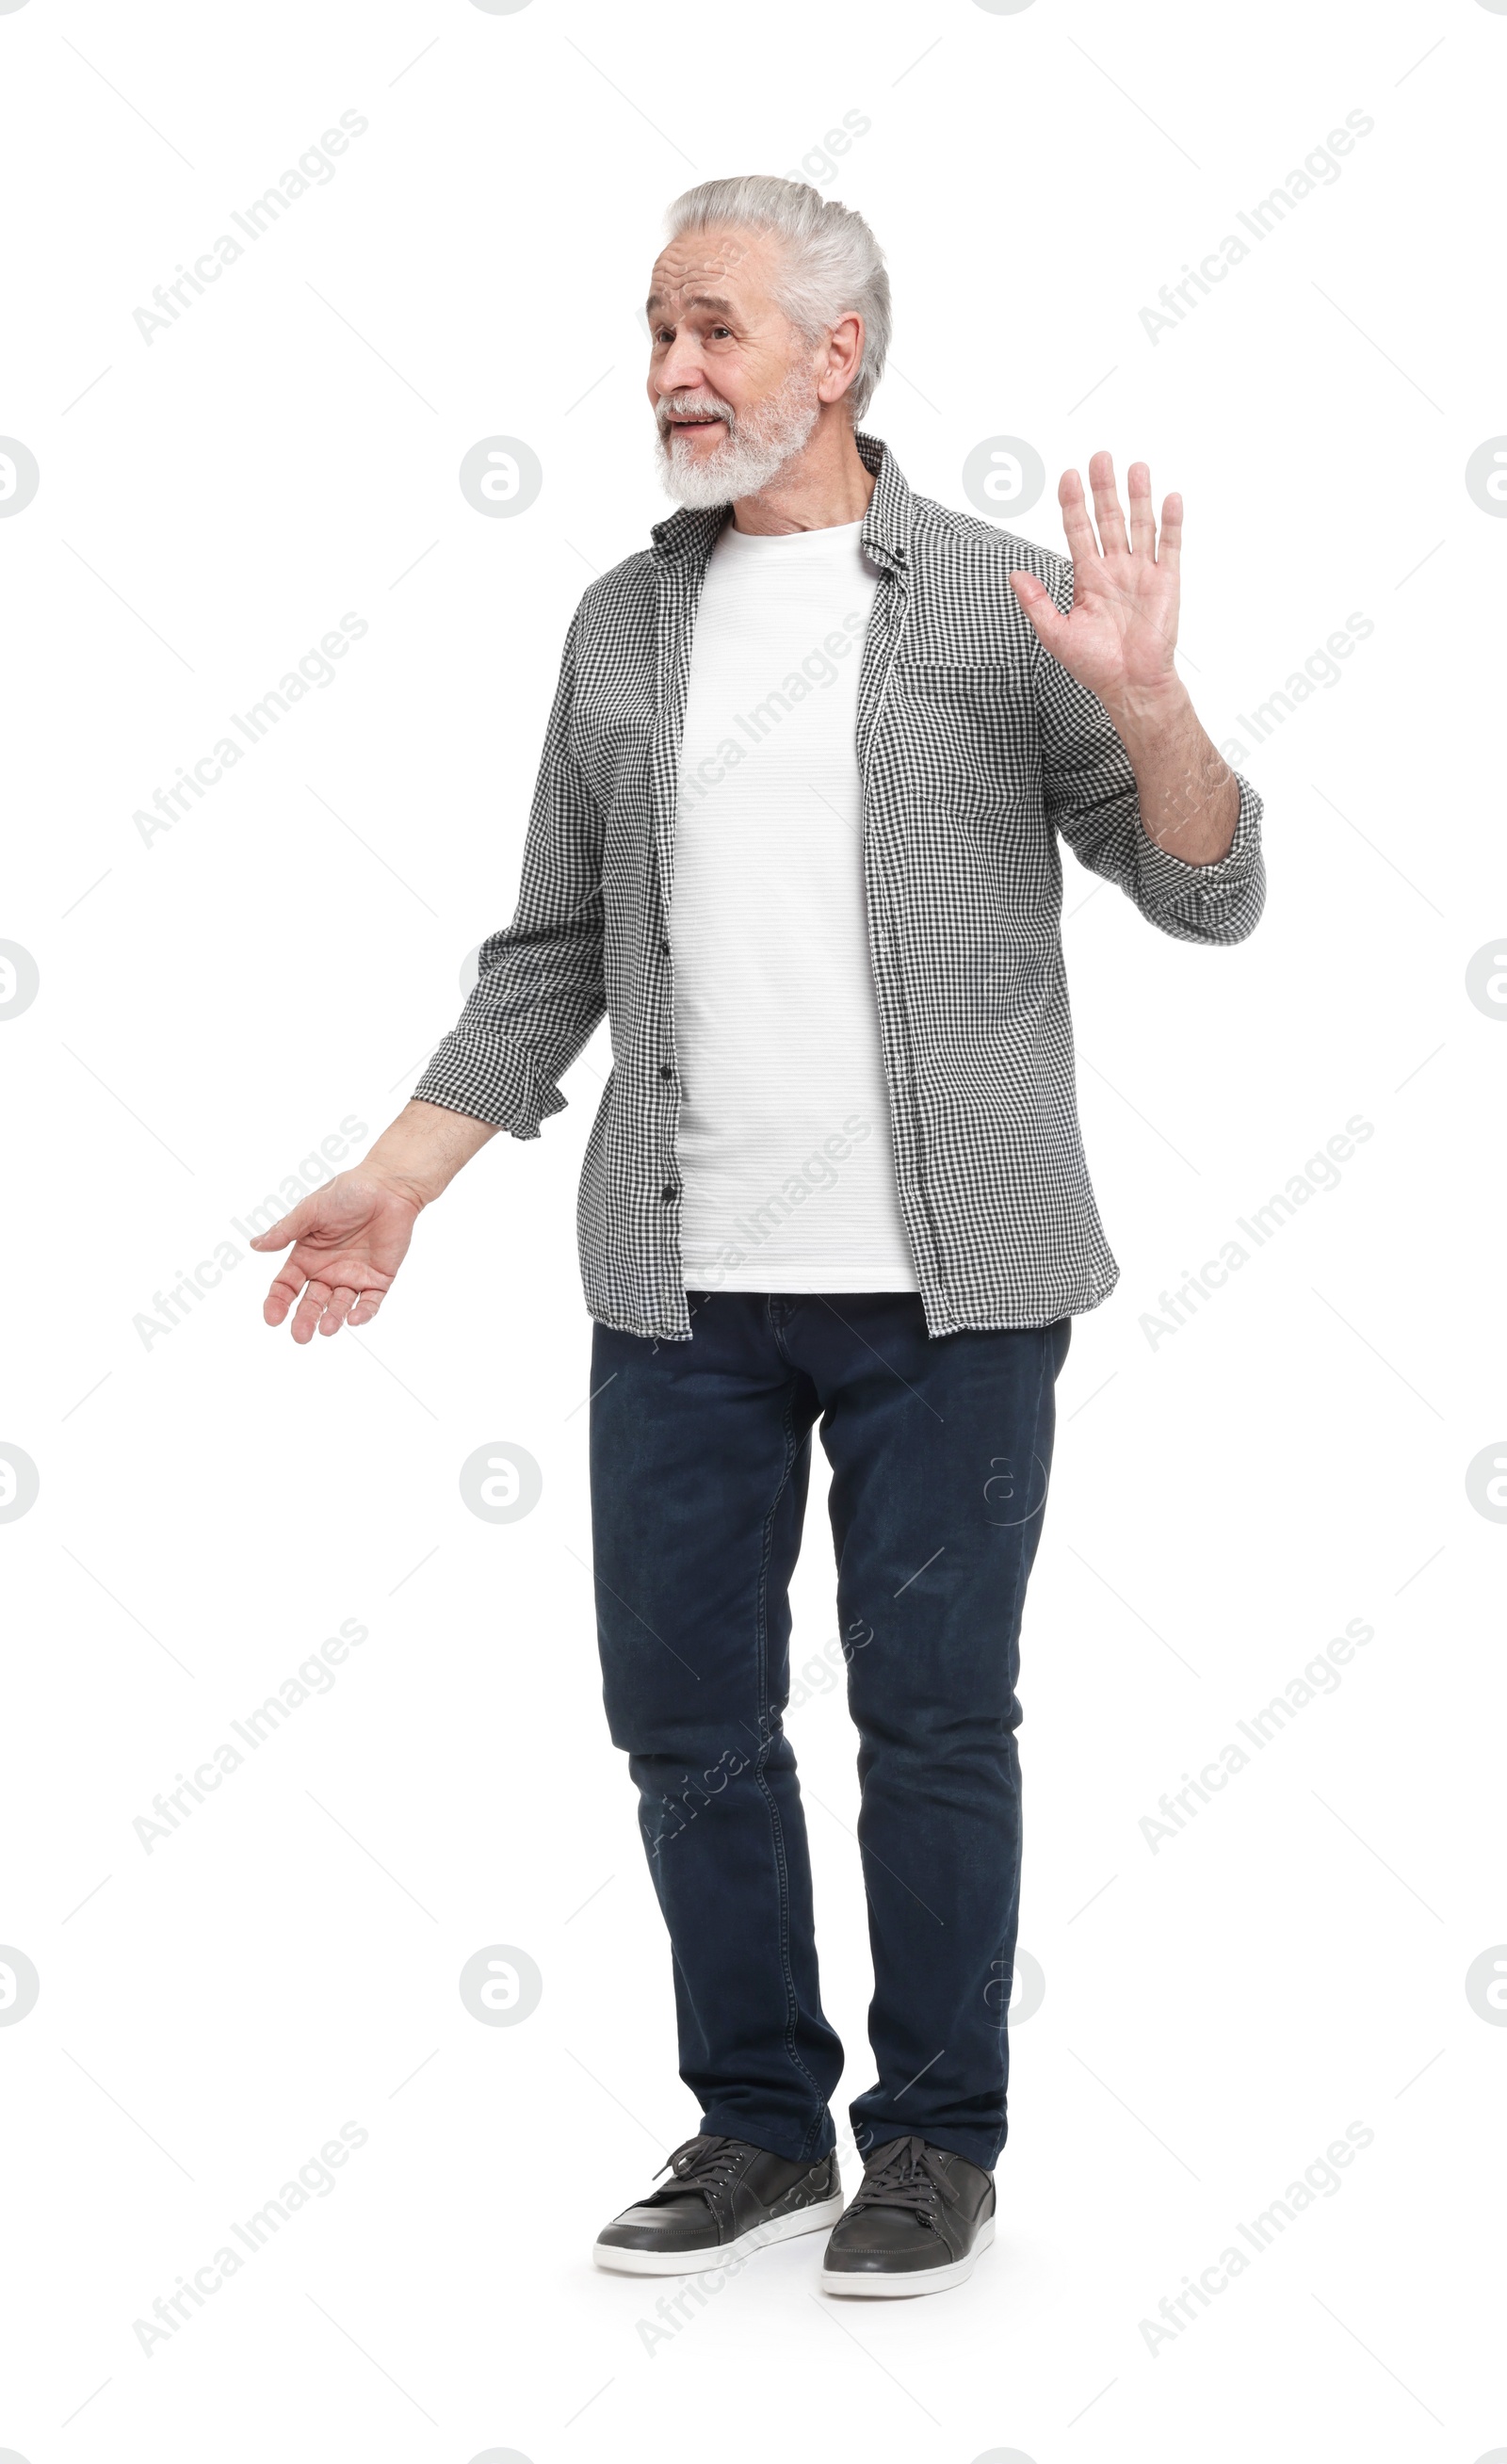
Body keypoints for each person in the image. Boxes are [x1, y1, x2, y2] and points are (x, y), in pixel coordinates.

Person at [252, 175, 1264, 2298]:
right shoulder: (621, 625)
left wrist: (1155, 710)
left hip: (953, 1291)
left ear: (838, 353)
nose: (667, 373)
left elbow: (1199, 894)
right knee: (682, 1720)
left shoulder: (1000, 595)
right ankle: (753, 2123)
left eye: (709, 328)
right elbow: (549, 953)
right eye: (650, 331)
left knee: (931, 1722)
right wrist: (400, 1175)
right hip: (681, 1291)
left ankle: (933, 2145)